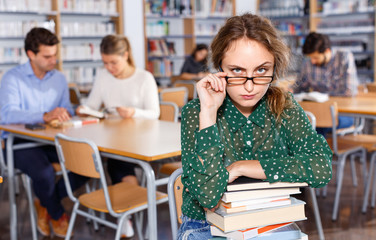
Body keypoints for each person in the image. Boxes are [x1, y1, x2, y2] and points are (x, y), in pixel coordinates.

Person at [178, 13, 333, 239]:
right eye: (237, 71)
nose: (249, 87)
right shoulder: (197, 111)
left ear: (274, 67)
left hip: (270, 222)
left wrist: (242, 167)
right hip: (207, 227)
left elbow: (321, 168)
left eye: (261, 70)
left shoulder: (283, 105)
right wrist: (209, 113)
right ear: (219, 66)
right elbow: (208, 196)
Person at [0, 27, 87, 237]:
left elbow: (65, 108)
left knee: (86, 162)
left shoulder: (59, 78)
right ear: (31, 54)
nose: (53, 60)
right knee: (45, 174)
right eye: (47, 56)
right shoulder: (12, 78)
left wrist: (76, 111)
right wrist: (45, 115)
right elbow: (6, 115)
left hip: (51, 141)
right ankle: (58, 215)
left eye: (55, 55)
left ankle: (46, 204)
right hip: (18, 143)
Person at [76, 34, 160, 238]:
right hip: (110, 138)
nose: (109, 68)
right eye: (105, 63)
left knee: (116, 160)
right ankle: (127, 211)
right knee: (107, 157)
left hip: (140, 139)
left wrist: (134, 112)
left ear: (126, 55)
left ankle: (126, 213)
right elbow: (93, 105)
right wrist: (84, 109)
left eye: (114, 62)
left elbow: (154, 113)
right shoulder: (104, 76)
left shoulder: (144, 78)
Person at [293, 32, 359, 135]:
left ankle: (315, 150)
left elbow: (348, 91)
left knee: (315, 127)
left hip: (342, 113)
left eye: (316, 57)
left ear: (327, 51)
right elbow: (299, 86)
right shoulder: (308, 63)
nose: (313, 61)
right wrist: (289, 91)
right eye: (310, 58)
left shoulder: (344, 57)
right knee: (303, 124)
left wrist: (321, 96)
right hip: (317, 113)